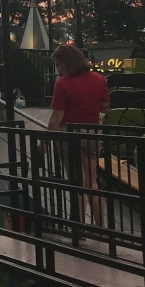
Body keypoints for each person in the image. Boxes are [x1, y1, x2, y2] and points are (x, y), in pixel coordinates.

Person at [46, 45, 110, 228]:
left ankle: (79, 228)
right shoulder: (99, 79)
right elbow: (105, 107)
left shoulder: (62, 84)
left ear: (68, 63)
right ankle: (101, 228)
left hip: (70, 135)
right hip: (93, 133)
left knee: (77, 184)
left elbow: (57, 116)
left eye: (59, 64)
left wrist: (45, 139)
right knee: (92, 182)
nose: (58, 68)